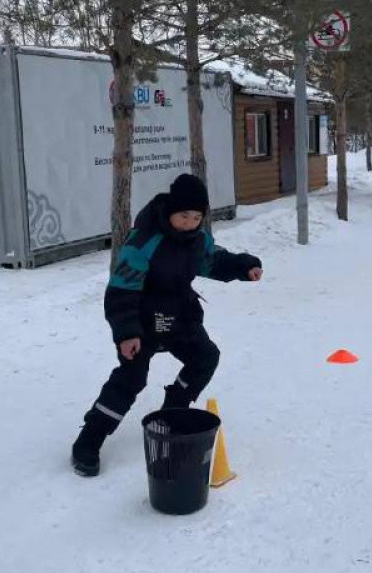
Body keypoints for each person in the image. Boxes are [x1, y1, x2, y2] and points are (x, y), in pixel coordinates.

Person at [70, 174, 263, 477]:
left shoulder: (197, 240)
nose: (189, 222)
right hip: (142, 320)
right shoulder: (144, 240)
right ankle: (89, 440)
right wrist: (127, 332)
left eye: (197, 217)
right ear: (170, 210)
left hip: (179, 316)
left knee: (205, 358)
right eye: (184, 215)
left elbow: (214, 261)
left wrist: (243, 266)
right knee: (131, 379)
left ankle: (173, 412)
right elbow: (121, 290)